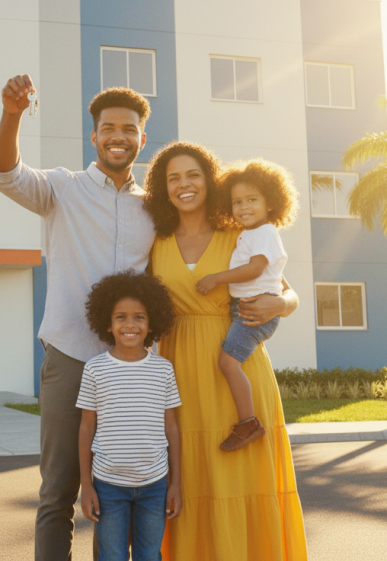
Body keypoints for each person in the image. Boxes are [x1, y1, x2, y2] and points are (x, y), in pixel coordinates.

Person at [0, 75, 157, 560]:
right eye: (108, 128)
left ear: (142, 138)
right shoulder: (63, 188)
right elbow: (4, 174)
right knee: (58, 492)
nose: (118, 136)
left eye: (129, 128)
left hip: (132, 369)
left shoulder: (154, 209)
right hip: (71, 359)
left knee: (131, 492)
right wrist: (13, 113)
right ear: (94, 136)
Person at [142, 141, 308, 560]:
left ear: (209, 181)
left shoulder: (240, 232)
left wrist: (282, 305)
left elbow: (287, 294)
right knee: (191, 479)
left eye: (193, 174)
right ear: (163, 188)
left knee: (240, 480)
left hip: (238, 368)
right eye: (173, 177)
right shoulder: (154, 241)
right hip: (178, 368)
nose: (184, 184)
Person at [194, 159, 299, 452]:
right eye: (237, 201)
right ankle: (247, 419)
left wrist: (216, 278)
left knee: (227, 362)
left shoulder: (265, 232)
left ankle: (248, 422)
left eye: (252, 200)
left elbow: (255, 269)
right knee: (229, 362)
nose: (243, 207)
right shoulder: (247, 234)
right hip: (244, 310)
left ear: (271, 203)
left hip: (255, 312)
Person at [77, 271, 181, 561]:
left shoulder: (163, 369)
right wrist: (87, 486)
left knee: (150, 556)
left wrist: (176, 483)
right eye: (120, 317)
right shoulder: (95, 369)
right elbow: (86, 428)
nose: (130, 324)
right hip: (108, 485)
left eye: (139, 317)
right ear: (108, 324)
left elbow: (171, 427)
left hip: (155, 483)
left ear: (152, 324)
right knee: (112, 557)